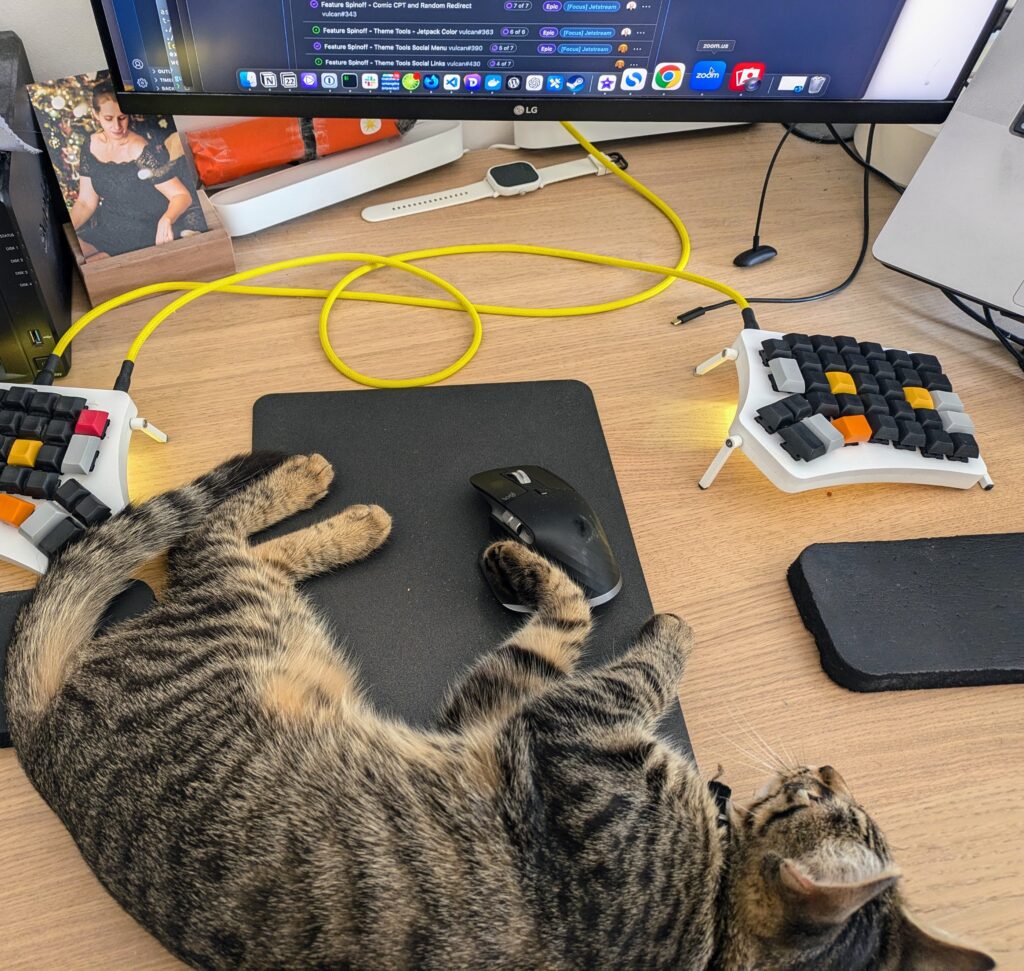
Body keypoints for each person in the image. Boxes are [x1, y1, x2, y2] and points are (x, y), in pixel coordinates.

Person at [70, 84, 196, 258]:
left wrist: (166, 220)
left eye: (122, 117)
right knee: (73, 254)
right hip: (109, 226)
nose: (117, 126)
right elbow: (85, 202)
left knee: (94, 264)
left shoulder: (141, 149)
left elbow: (182, 196)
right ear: (95, 115)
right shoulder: (90, 144)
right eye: (108, 118)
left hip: (141, 228)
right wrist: (67, 233)